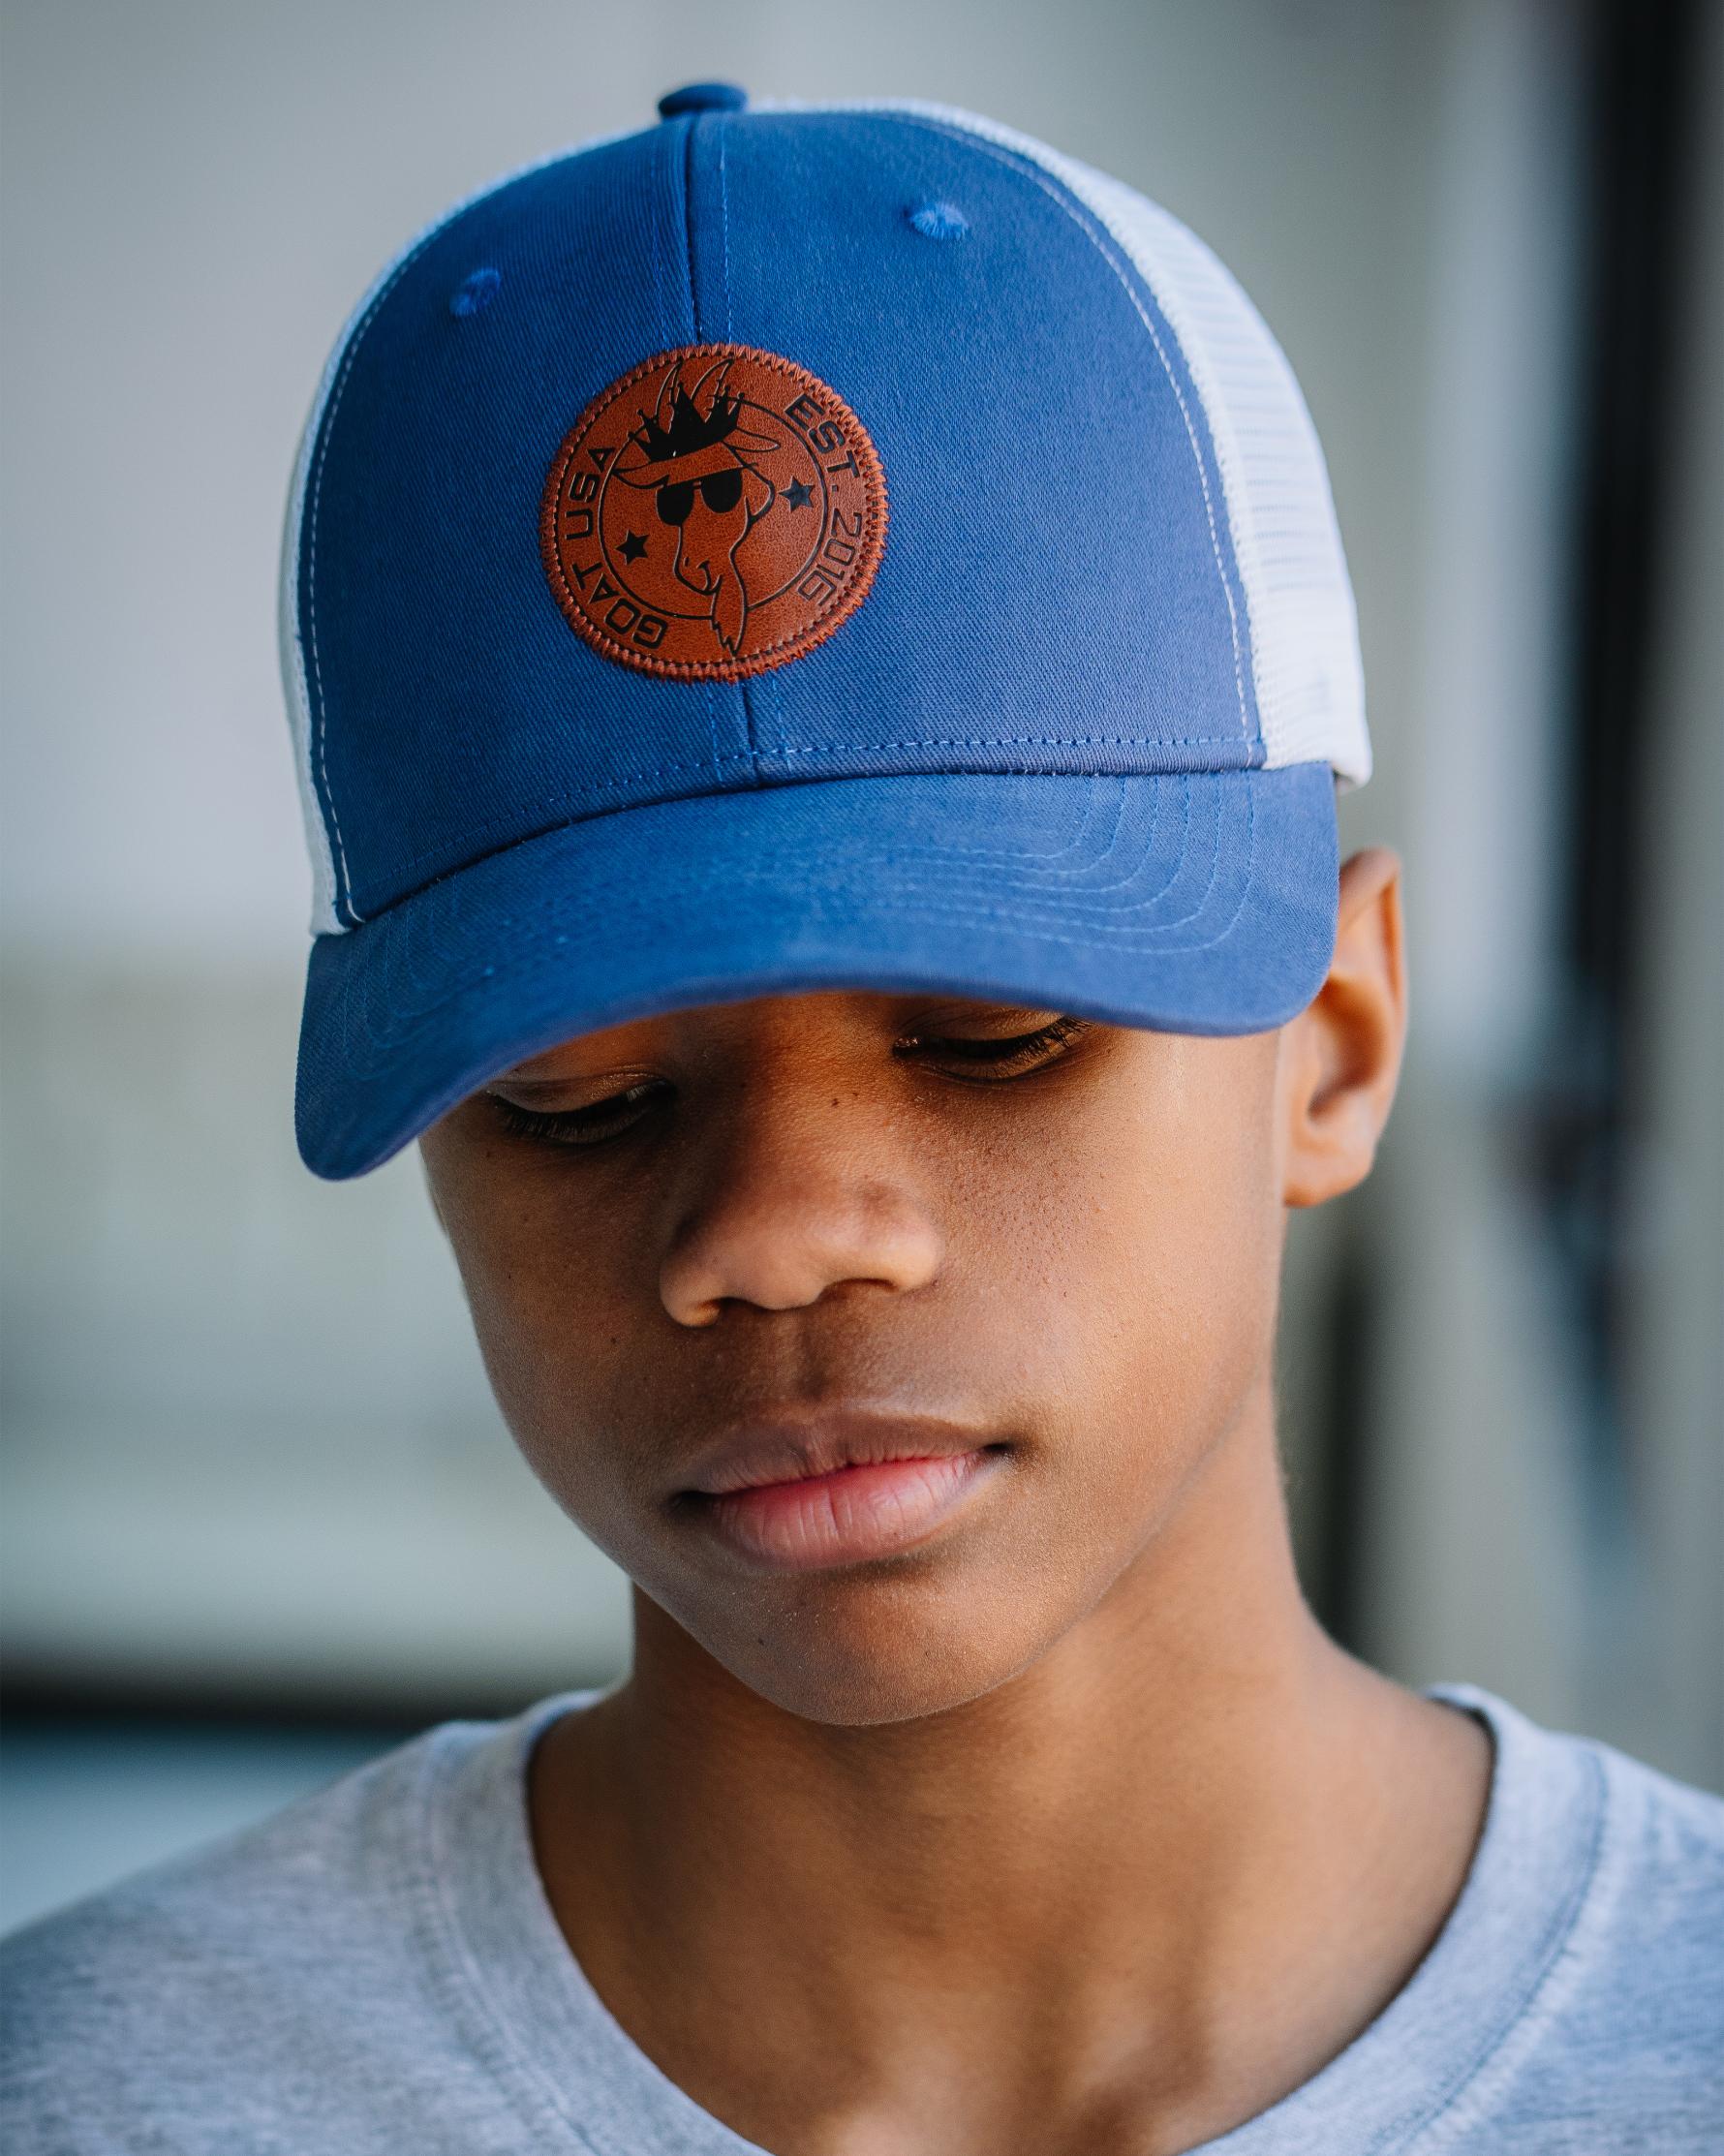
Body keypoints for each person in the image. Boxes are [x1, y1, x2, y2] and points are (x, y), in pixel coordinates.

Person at [3, 85, 1720, 2156]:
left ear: (1334, 1043)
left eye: (991, 1033)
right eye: (579, 1098)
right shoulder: (99, 2098)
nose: (779, 1228)